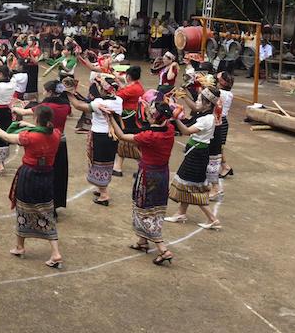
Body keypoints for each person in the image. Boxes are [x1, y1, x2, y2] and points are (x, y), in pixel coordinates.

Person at [0, 105, 63, 268]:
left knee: (23, 209)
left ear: (36, 119)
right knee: (46, 211)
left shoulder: (30, 137)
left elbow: (8, 137)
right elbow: (44, 130)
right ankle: (55, 252)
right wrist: (28, 125)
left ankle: (20, 246)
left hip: (29, 175)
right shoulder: (56, 134)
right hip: (47, 175)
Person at [106, 100, 175, 265]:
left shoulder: (149, 136)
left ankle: (163, 249)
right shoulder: (170, 130)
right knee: (154, 208)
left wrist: (111, 120)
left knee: (144, 209)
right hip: (162, 173)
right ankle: (142, 241)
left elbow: (122, 136)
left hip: (148, 174)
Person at [165, 88, 222, 230]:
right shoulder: (205, 116)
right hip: (196, 152)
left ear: (208, 104)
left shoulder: (206, 119)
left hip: (197, 154)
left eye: (199, 100)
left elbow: (185, 131)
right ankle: (181, 213)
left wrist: (176, 118)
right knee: (188, 183)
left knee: (194, 187)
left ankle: (213, 219)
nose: (196, 102)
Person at [14, 80, 72, 214]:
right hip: (60, 141)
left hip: (45, 142)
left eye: (45, 90)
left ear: (50, 92)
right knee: (59, 174)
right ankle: (54, 205)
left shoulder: (46, 106)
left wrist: (14, 107)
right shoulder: (65, 105)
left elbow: (25, 111)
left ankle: (41, 203)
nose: (43, 92)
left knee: (43, 174)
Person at [70, 75, 121, 206]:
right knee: (107, 162)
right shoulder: (118, 100)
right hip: (112, 136)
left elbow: (78, 106)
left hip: (100, 137)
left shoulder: (100, 103)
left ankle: (104, 195)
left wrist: (69, 94)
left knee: (98, 162)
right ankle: (101, 188)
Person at [0, 65, 26, 176]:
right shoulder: (12, 84)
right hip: (7, 112)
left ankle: (0, 164)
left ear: (1, 74)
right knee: (5, 135)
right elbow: (12, 76)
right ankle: (1, 162)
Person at [113, 66, 145, 175]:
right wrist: (119, 83)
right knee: (126, 142)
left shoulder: (132, 88)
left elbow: (118, 96)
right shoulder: (137, 86)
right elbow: (126, 90)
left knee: (128, 142)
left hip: (129, 118)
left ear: (128, 76)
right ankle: (118, 167)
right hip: (132, 116)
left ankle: (142, 166)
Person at [215, 71, 236, 185]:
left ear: (222, 82)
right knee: (218, 147)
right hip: (220, 121)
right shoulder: (227, 93)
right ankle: (225, 166)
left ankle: (226, 167)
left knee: (218, 147)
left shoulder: (221, 93)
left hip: (220, 122)